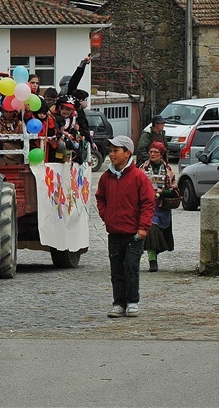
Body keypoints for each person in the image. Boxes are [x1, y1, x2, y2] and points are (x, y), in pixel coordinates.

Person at [95, 135, 155, 318]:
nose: (111, 154)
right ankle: (118, 302)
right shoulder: (106, 177)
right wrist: (107, 216)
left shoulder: (138, 177)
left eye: (116, 151)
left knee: (131, 267)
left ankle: (132, 301)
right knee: (116, 270)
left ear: (127, 153)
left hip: (134, 233)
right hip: (114, 232)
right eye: (110, 151)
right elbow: (100, 198)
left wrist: (143, 227)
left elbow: (148, 203)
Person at [138, 141, 177, 272]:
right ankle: (152, 260)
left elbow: (175, 191)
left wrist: (162, 192)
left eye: (156, 152)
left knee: (160, 235)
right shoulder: (143, 168)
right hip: (147, 207)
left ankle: (155, 252)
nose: (153, 154)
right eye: (151, 152)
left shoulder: (168, 170)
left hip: (162, 208)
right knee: (151, 229)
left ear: (161, 154)